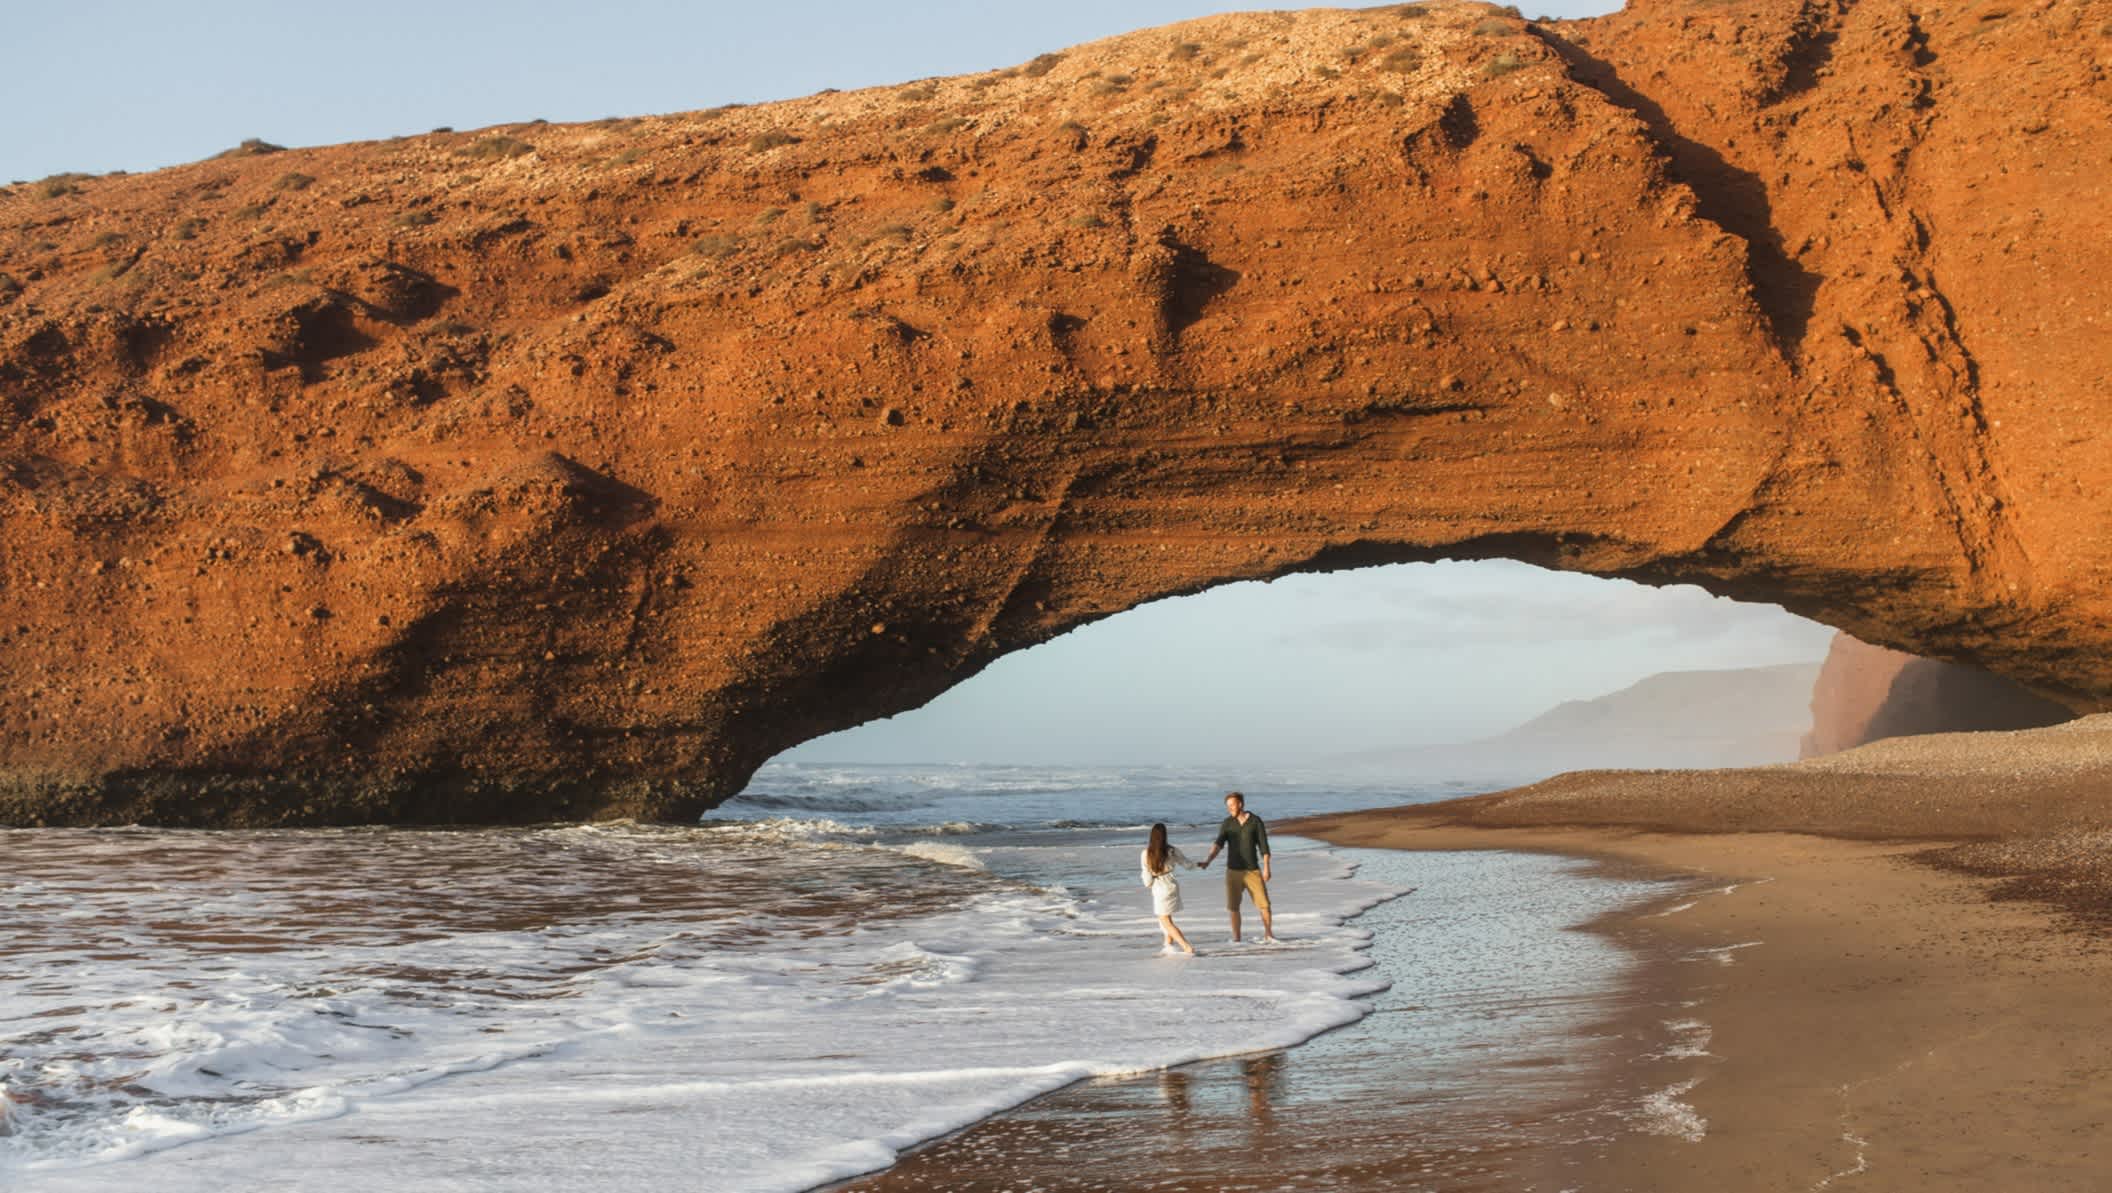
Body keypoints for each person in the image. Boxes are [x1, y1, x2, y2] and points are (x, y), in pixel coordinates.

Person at [1201, 790, 1274, 943]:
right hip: (1233, 871)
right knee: (1233, 907)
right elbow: (1218, 844)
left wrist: (1267, 867)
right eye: (1228, 806)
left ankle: (1269, 935)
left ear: (1240, 804)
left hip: (1252, 870)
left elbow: (1264, 846)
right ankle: (1237, 939)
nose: (1230, 808)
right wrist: (1208, 860)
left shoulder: (1255, 821)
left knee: (1264, 905)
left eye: (1232, 805)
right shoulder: (1227, 823)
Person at [1140, 822, 1203, 956]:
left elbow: (1146, 877)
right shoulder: (1172, 850)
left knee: (1165, 921)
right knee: (1166, 917)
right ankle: (1168, 944)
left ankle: (1186, 947)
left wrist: (1149, 884)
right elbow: (1187, 865)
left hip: (1159, 886)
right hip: (1172, 884)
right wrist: (1198, 864)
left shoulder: (1146, 853)